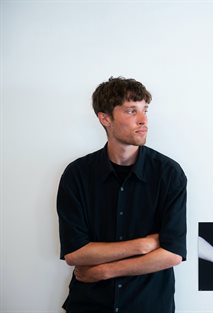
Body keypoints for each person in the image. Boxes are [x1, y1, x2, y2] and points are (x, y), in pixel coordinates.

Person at [56, 77, 187, 313]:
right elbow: (75, 253)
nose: (143, 120)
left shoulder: (169, 174)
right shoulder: (77, 175)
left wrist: (103, 271)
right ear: (105, 118)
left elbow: (172, 254)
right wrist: (143, 245)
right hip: (89, 306)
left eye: (145, 110)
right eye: (131, 111)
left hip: (148, 306)